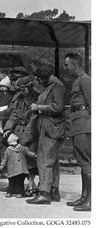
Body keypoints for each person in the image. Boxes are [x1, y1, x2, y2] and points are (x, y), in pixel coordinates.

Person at [25, 64, 66, 205]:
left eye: (40, 79)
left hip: (52, 128)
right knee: (52, 161)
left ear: (46, 77)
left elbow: (58, 107)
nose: (39, 82)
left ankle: (44, 193)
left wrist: (39, 107)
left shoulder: (58, 86)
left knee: (44, 160)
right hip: (47, 126)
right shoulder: (51, 85)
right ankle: (53, 191)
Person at [3, 76, 39, 197]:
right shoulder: (19, 99)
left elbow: (33, 122)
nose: (21, 92)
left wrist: (25, 138)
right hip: (18, 131)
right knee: (18, 160)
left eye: (23, 89)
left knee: (30, 162)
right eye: (20, 90)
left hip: (31, 133)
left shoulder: (36, 99)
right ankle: (17, 185)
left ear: (29, 87)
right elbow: (13, 115)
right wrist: (7, 128)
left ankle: (30, 185)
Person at [63, 53, 91, 211]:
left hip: (84, 125)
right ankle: (84, 197)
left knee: (86, 163)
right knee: (83, 162)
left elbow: (93, 104)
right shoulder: (78, 80)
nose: (65, 68)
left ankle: (92, 201)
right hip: (78, 123)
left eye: (67, 65)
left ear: (75, 65)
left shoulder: (85, 80)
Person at [0, 133, 37, 198]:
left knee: (15, 181)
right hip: (20, 169)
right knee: (17, 181)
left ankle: (13, 192)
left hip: (13, 169)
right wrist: (34, 155)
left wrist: (2, 165)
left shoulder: (10, 149)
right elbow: (29, 153)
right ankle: (14, 192)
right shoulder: (17, 148)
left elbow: (4, 159)